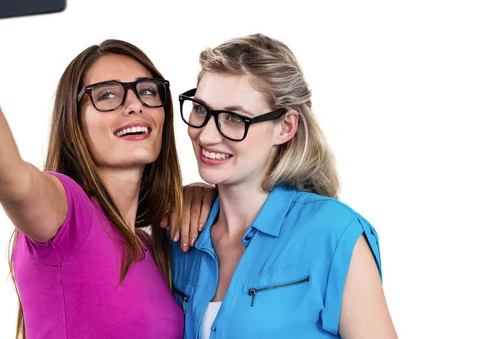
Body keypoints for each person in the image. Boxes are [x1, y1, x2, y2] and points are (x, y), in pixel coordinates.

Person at [0, 0, 215, 339]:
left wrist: (208, 194)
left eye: (147, 90)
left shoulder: (152, 248)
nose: (134, 105)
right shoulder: (69, 215)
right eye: (106, 95)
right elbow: (10, 181)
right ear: (74, 124)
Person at [171, 33, 398, 338]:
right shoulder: (180, 235)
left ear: (285, 127)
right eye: (200, 109)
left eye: (235, 118)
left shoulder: (333, 232)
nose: (207, 136)